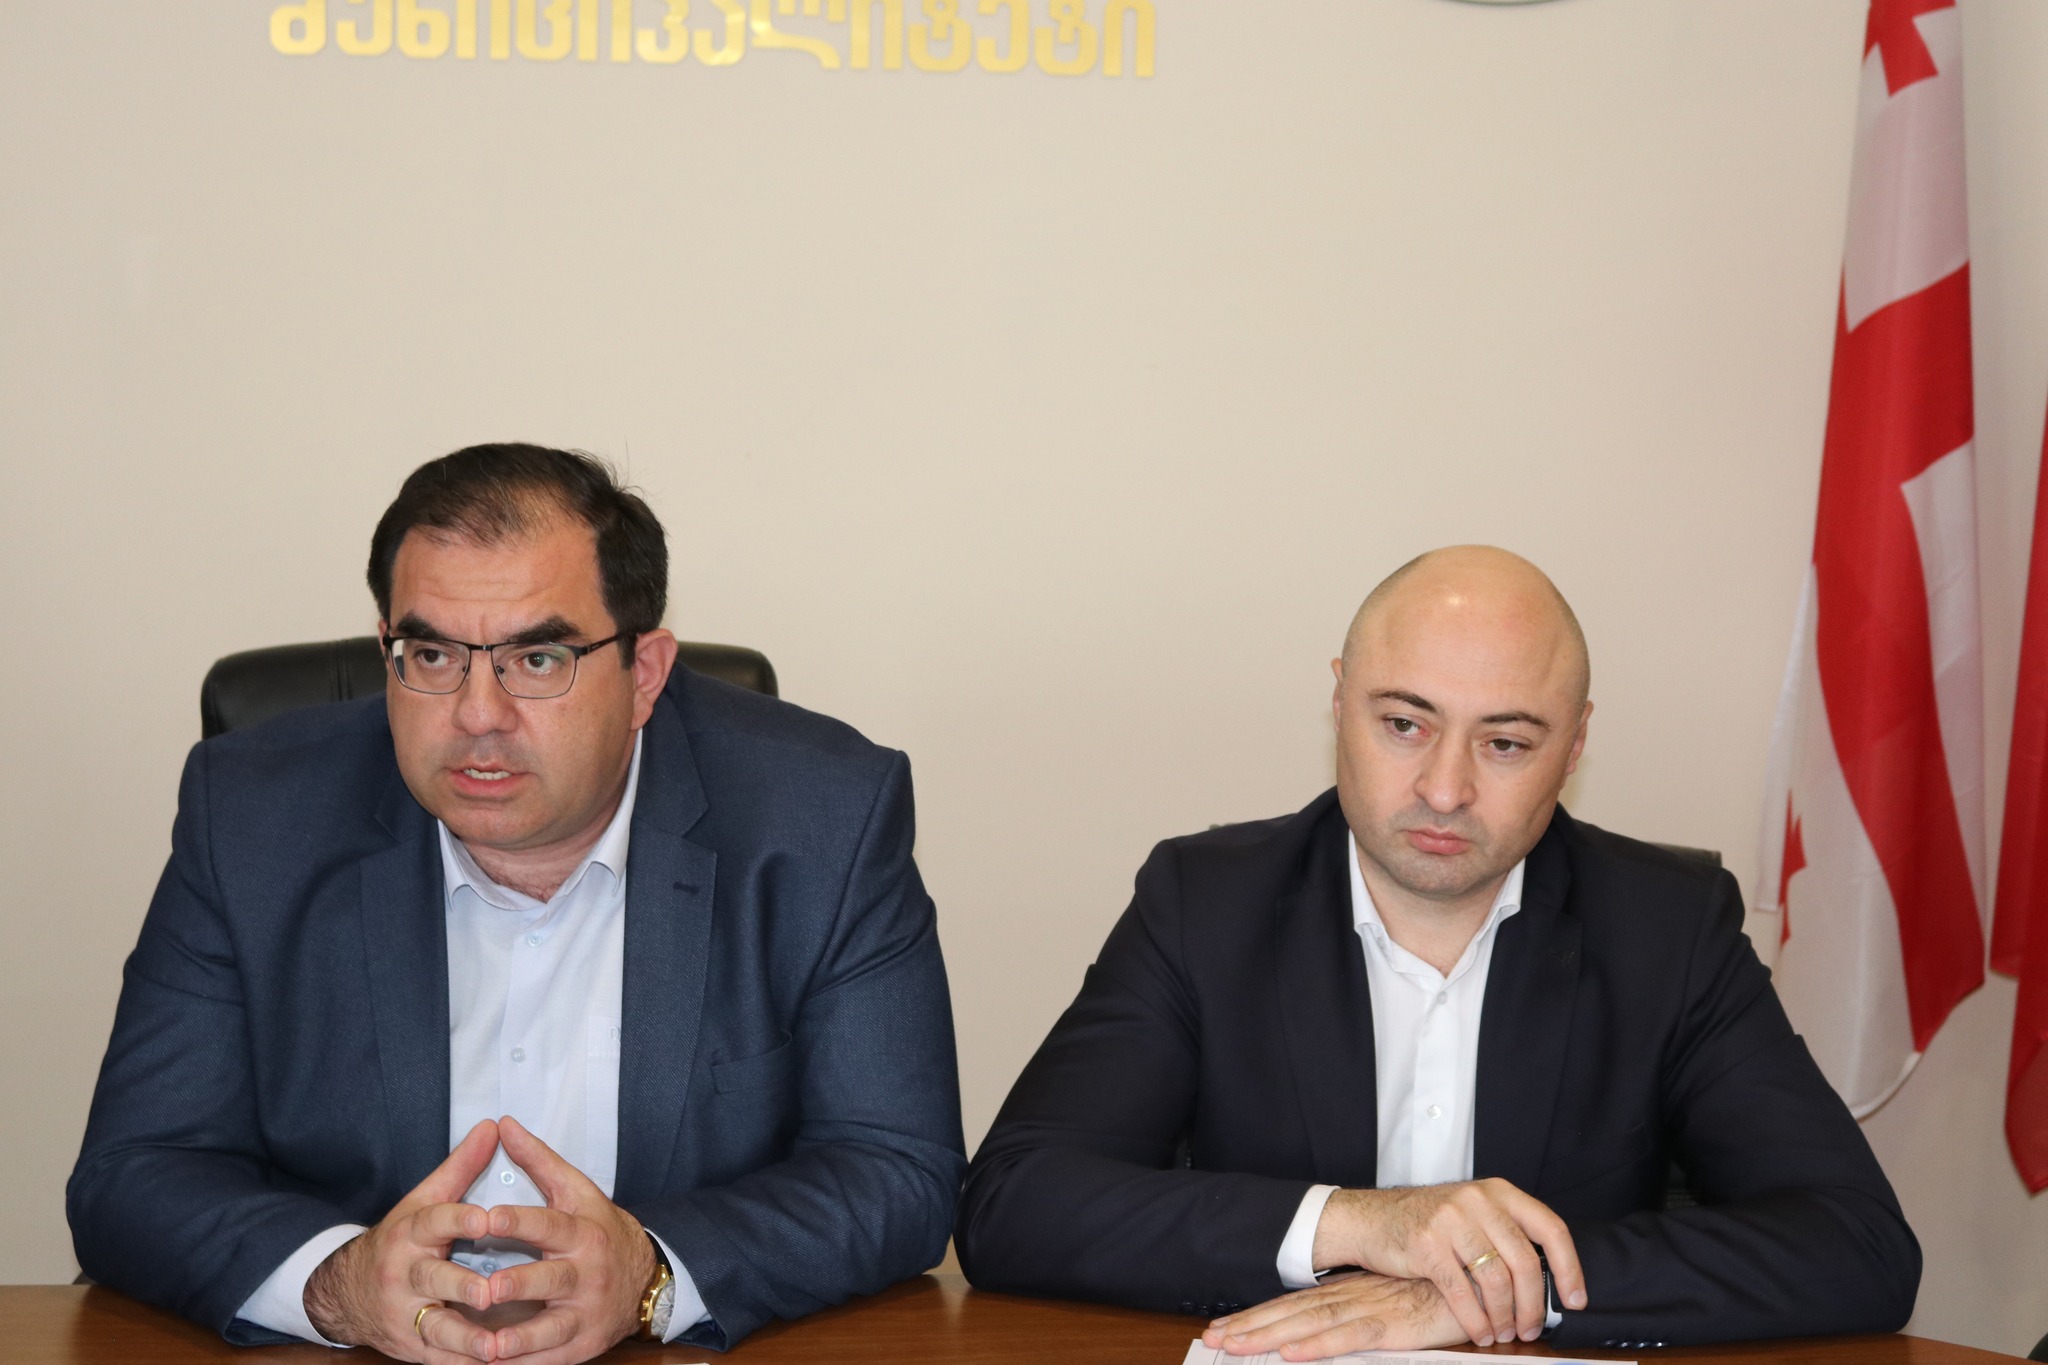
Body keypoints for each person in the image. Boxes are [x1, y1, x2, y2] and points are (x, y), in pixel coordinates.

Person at [70, 444, 965, 1363]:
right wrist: (337, 1286)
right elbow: (134, 1171)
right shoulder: (252, 818)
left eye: (537, 657)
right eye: (431, 654)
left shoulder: (824, 819)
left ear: (645, 673)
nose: (477, 714)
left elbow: (896, 1166)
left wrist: (653, 1273)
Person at [955, 546, 1919, 1355]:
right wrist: (1362, 1223)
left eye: (1505, 743)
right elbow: (1013, 1203)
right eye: (1404, 724)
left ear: (1575, 745)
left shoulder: (1668, 928)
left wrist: (1489, 1289)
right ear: (1339, 700)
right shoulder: (1204, 903)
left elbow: (1857, 1242)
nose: (1445, 789)